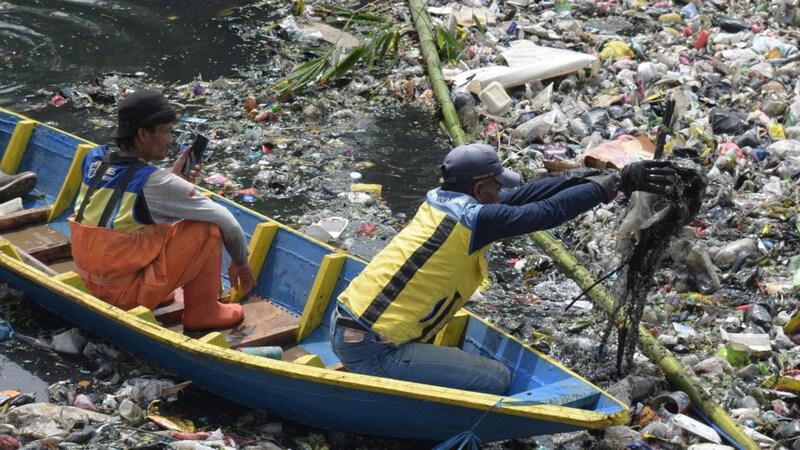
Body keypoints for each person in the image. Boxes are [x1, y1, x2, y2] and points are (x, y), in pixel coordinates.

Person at [331, 142, 675, 394]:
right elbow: (545, 213)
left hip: (346, 324)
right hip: (373, 348)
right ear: (479, 189)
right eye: (496, 185)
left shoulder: (445, 200)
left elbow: (526, 196)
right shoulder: (474, 219)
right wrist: (612, 187)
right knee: (496, 378)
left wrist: (598, 178)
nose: (501, 191)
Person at [69, 89, 256, 331]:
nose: (171, 140)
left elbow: (125, 189)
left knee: (144, 223)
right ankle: (204, 312)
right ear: (143, 134)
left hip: (88, 280)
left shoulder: (94, 158)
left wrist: (173, 177)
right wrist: (241, 263)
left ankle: (150, 287)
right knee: (208, 227)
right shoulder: (155, 183)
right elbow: (226, 220)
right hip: (123, 297)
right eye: (167, 131)